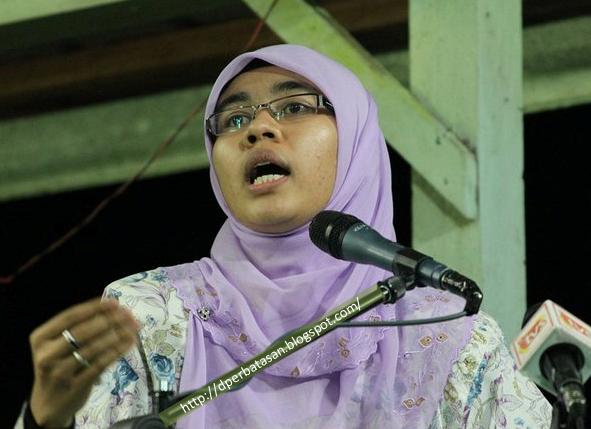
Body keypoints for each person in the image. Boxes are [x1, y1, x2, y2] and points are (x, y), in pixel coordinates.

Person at [15, 44, 552, 429]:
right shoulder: (151, 315)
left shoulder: (447, 337)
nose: (257, 128)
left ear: (356, 140)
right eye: (232, 119)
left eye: (294, 107)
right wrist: (42, 420)